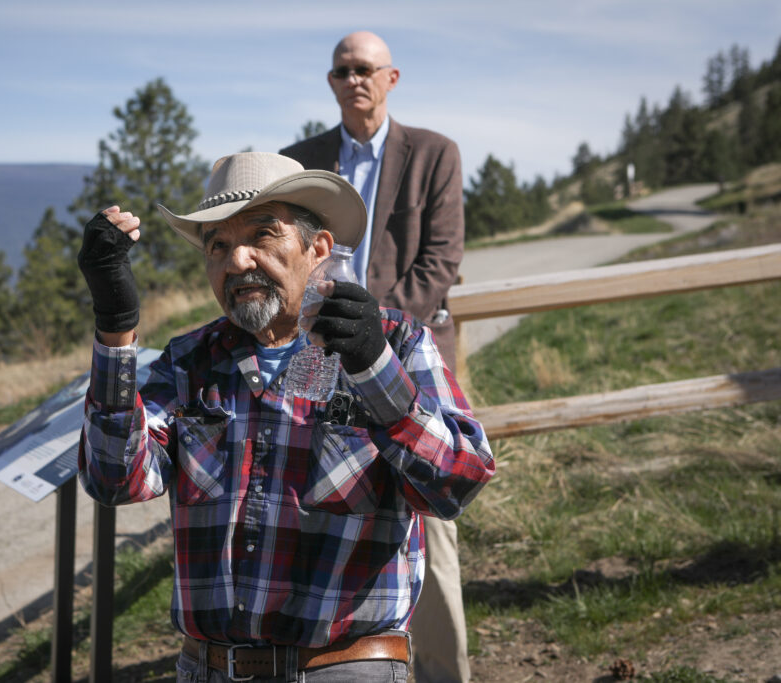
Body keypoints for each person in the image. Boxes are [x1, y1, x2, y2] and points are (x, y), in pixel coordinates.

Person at [77, 151, 493, 682]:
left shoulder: (394, 343)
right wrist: (115, 328)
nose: (238, 261)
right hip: (208, 670)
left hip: (341, 670)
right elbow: (115, 479)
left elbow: (460, 482)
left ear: (317, 248)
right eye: (219, 246)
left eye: (261, 236)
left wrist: (375, 372)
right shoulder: (189, 362)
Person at [280, 31, 471, 682]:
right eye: (340, 71)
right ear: (329, 83)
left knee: (428, 526)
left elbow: (441, 260)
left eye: (364, 69)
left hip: (403, 366)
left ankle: (443, 673)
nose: (352, 79)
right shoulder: (298, 162)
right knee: (319, 522)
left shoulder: (435, 154)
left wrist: (376, 339)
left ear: (392, 78)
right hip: (314, 370)